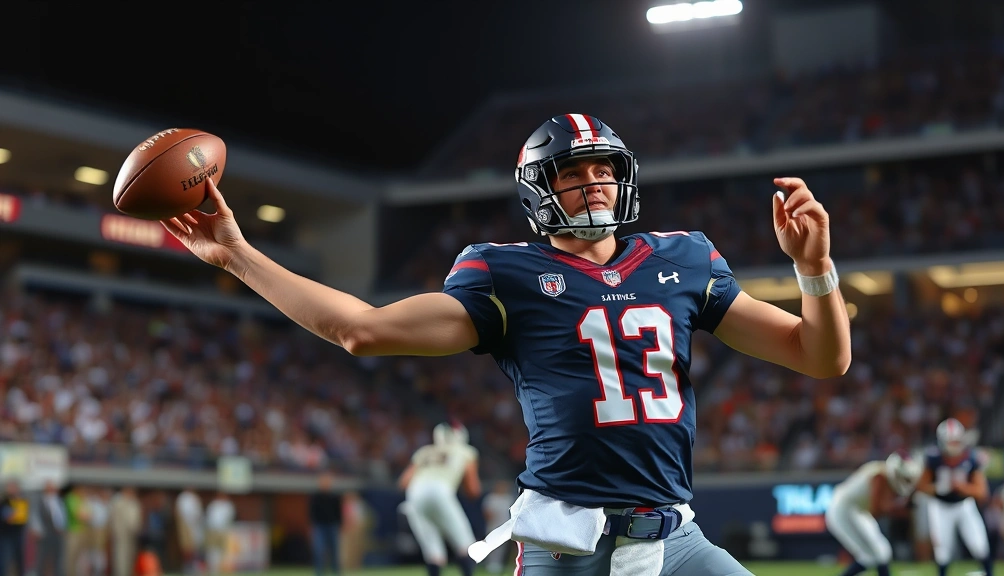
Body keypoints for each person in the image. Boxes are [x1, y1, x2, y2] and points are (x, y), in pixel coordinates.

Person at [162, 113, 851, 575]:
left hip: (676, 539)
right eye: (570, 175)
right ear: (537, 193)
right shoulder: (507, 273)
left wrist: (813, 267)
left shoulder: (683, 258)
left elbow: (823, 357)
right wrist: (238, 257)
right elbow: (360, 331)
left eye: (600, 169)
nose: (591, 185)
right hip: (566, 543)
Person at [397, 421, 482, 576]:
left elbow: (403, 482)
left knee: (432, 549)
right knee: (465, 544)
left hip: (415, 492)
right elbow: (473, 490)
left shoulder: (425, 451)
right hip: (441, 491)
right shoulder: (465, 451)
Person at [825, 451, 924, 576]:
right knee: (871, 555)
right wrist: (901, 507)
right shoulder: (880, 477)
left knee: (883, 551)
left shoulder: (884, 473)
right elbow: (876, 510)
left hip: (858, 510)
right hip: (843, 509)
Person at [915, 418, 992, 576]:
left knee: (979, 545)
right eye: (950, 441)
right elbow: (921, 486)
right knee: (942, 550)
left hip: (964, 505)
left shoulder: (970, 458)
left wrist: (962, 487)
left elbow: (981, 492)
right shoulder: (933, 458)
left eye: (956, 441)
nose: (953, 445)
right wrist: (938, 488)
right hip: (940, 506)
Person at [308, 473, 342, 576]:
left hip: (332, 525)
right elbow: (312, 512)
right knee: (319, 549)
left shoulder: (334, 497)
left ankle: (336, 571)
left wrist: (340, 524)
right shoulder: (315, 497)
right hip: (320, 526)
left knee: (334, 550)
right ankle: (319, 572)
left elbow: (338, 512)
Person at [481, 480, 516, 574]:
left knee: (502, 547)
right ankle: (490, 564)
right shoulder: (491, 498)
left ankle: (499, 564)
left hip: (505, 527)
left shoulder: (508, 498)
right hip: (493, 526)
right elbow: (486, 512)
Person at [109, 487, 143, 576]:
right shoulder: (118, 502)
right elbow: (114, 520)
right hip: (121, 536)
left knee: (131, 559)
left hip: (132, 536)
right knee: (120, 559)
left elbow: (136, 519)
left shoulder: (134, 503)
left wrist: (136, 529)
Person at [0, 480, 28, 576]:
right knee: (4, 560)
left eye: (15, 487)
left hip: (19, 534)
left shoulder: (21, 500)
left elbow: (24, 517)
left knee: (19, 560)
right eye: (11, 487)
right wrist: (11, 515)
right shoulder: (4, 501)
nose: (13, 489)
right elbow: (6, 517)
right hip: (6, 536)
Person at [205, 491, 235, 575]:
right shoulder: (213, 504)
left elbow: (229, 518)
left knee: (224, 552)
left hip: (223, 531)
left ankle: (223, 569)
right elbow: (210, 518)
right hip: (213, 530)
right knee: (213, 551)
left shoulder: (228, 505)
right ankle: (213, 570)